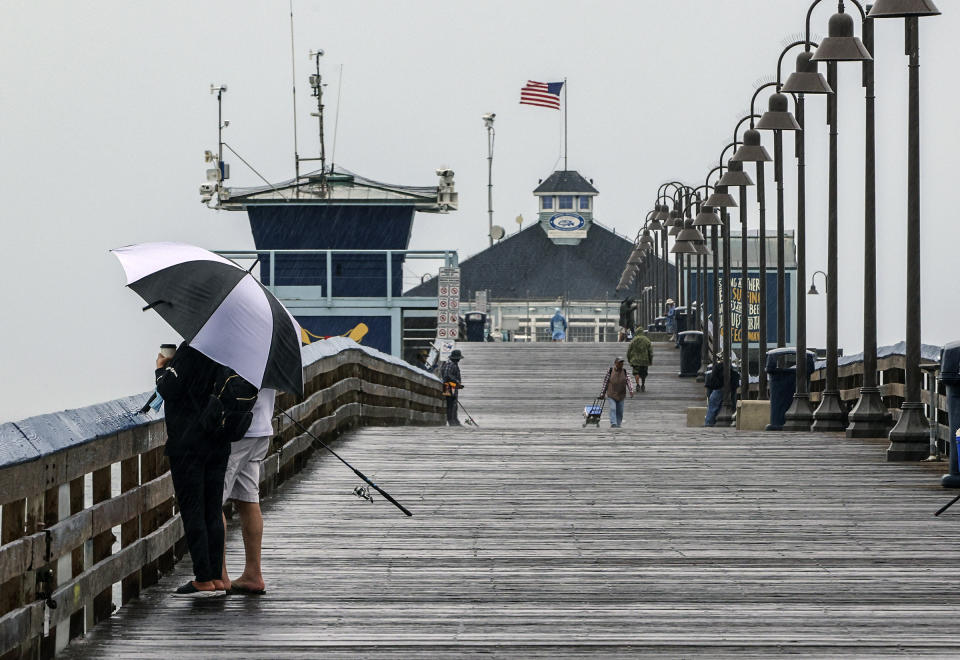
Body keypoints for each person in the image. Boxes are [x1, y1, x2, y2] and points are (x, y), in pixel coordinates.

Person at [155, 343, 228, 598]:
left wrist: (162, 368)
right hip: (218, 441)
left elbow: (168, 389)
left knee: (193, 508)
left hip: (188, 443)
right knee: (212, 508)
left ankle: (203, 579)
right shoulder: (227, 350)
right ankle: (217, 578)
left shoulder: (193, 349)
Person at [219, 388, 276, 595]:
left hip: (236, 429)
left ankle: (219, 575)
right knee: (248, 501)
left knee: (212, 503)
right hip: (261, 428)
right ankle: (253, 574)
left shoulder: (240, 354)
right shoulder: (271, 356)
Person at [704, 357, 740, 427]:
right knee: (731, 405)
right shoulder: (731, 368)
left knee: (712, 406)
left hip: (719, 387)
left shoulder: (718, 367)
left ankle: (709, 423)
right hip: (729, 388)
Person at [600, 356, 634, 428]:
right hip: (611, 394)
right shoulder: (610, 371)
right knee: (613, 408)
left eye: (622, 363)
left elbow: (629, 381)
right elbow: (605, 382)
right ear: (615, 363)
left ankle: (618, 424)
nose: (621, 364)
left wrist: (631, 390)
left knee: (620, 411)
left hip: (621, 394)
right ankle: (613, 423)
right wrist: (602, 393)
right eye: (619, 363)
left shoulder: (625, 372)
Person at [440, 349, 464, 426]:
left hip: (451, 385)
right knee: (450, 404)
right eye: (458, 358)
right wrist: (456, 381)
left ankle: (454, 419)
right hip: (448, 385)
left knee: (454, 404)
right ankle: (451, 420)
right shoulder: (450, 364)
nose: (459, 359)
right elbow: (447, 375)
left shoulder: (452, 364)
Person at [627, 328, 654, 392]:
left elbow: (629, 351)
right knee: (644, 373)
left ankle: (637, 384)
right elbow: (650, 352)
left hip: (635, 361)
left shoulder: (633, 340)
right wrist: (650, 360)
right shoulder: (647, 340)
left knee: (636, 372)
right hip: (645, 361)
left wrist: (629, 359)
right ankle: (643, 385)